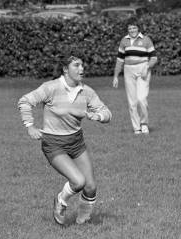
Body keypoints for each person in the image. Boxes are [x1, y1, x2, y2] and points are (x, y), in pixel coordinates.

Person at [18, 54, 112, 225]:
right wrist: (30, 126)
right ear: (65, 69)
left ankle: (83, 223)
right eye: (76, 65)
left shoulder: (87, 92)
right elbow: (25, 101)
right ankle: (60, 201)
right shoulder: (51, 88)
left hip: (76, 143)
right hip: (54, 144)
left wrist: (97, 116)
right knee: (78, 181)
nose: (81, 69)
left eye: (82, 65)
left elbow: (107, 113)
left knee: (90, 187)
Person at [112, 22, 157, 135]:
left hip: (143, 69)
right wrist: (116, 76)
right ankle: (136, 128)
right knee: (132, 102)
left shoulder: (146, 40)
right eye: (130, 28)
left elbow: (154, 58)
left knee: (141, 99)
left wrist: (147, 67)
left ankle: (144, 124)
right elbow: (120, 60)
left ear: (138, 28)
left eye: (134, 27)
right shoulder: (124, 41)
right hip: (129, 70)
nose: (132, 30)